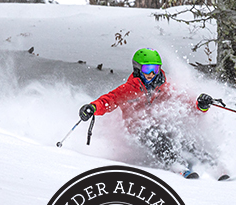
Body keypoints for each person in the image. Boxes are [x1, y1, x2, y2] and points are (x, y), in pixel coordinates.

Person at [79, 48, 225, 179]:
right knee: (157, 137)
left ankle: (212, 165)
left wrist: (201, 105)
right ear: (137, 69)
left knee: (180, 137)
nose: (151, 74)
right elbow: (109, 100)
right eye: (147, 69)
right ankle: (176, 163)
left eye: (155, 69)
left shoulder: (165, 87)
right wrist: (93, 108)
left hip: (160, 123)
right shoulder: (128, 89)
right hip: (138, 129)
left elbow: (188, 104)